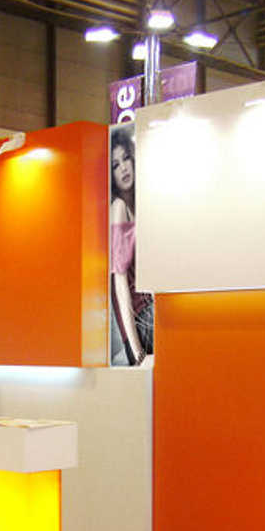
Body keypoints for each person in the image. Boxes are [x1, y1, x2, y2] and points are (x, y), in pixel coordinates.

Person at [110, 127, 153, 366]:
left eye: (126, 159)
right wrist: (137, 353)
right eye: (116, 165)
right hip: (139, 322)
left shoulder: (139, 207)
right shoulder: (119, 207)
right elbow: (119, 282)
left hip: (150, 312)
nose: (124, 168)